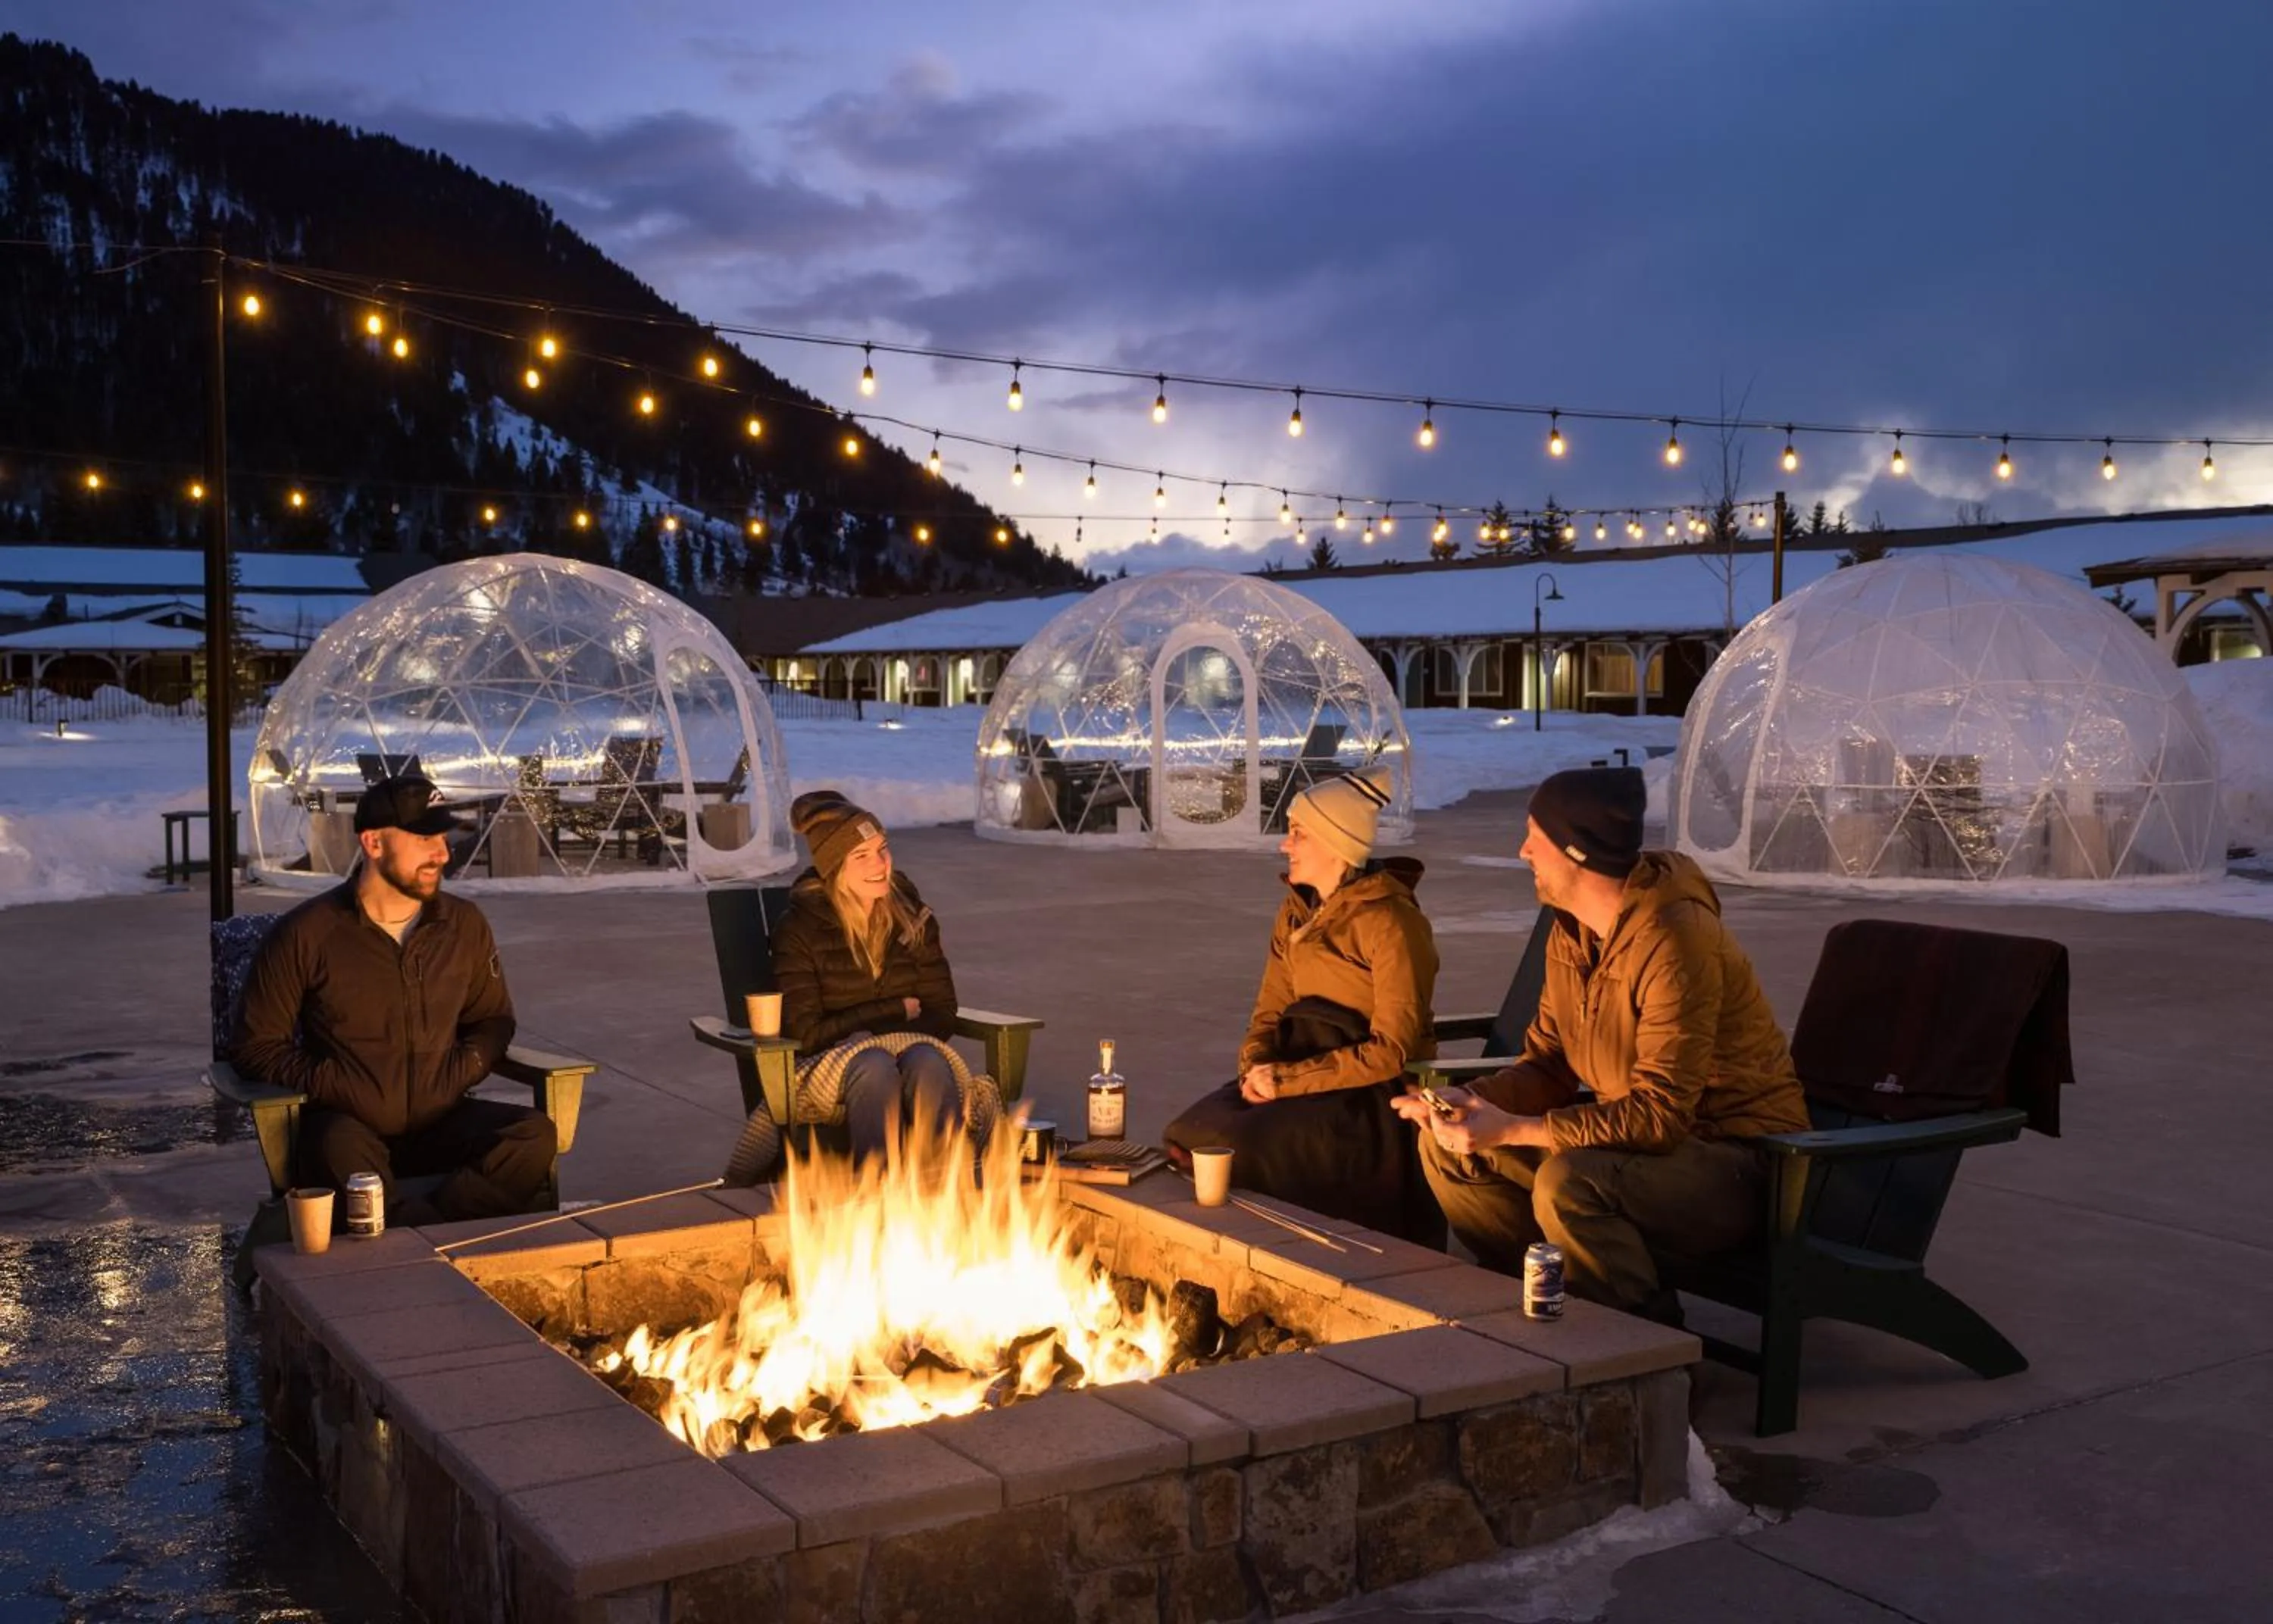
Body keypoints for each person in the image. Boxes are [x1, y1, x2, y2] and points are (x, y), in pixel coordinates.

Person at [1393, 766, 1809, 1319]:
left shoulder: (1675, 940)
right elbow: (1547, 1067)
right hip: (1643, 1151)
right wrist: (1472, 1103)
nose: (1522, 853)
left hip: (1740, 1163)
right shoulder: (1571, 931)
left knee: (1572, 1184)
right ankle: (1542, 1311)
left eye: (1534, 839)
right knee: (1451, 1150)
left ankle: (1650, 1353)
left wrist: (1516, 1127)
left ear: (1576, 854)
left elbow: (1661, 1116)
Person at [231, 773, 555, 1226]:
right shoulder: (307, 934)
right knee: (334, 1152)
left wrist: (463, 1069)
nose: (442, 853)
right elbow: (256, 1046)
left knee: (532, 1136)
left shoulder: (463, 925)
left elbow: (493, 1019)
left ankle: (414, 1229)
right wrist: (337, 1084)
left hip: (442, 1117)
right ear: (374, 843)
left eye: (443, 837)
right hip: (350, 1126)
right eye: (424, 838)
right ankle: (432, 1235)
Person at [1162, 768, 1443, 1242]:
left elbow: (1390, 1049)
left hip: (1364, 1090)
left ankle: (1283, 1252)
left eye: (1297, 833)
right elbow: (1269, 1009)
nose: (1283, 845)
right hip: (1296, 1066)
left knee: (1241, 1149)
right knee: (1189, 1134)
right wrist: (1257, 1066)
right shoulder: (1296, 910)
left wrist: (1287, 1083)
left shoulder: (1391, 923)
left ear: (1336, 843)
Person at [723, 791, 965, 1179]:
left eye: (883, 849)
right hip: (825, 1067)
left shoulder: (911, 919)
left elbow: (941, 1010)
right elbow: (806, 1033)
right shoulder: (799, 932)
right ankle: (876, 1194)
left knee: (929, 1061)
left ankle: (950, 1192)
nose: (880, 864)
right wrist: (891, 1011)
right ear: (835, 866)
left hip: (903, 1052)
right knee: (874, 1066)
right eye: (862, 856)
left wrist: (892, 1040)